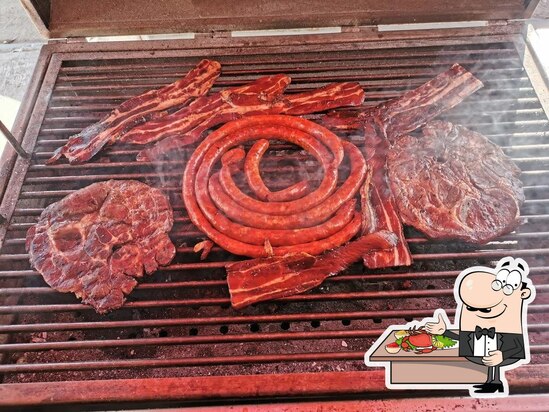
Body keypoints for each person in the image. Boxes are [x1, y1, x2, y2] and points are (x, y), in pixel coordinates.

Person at [425, 257, 535, 394]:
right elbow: (464, 338)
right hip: (481, 352)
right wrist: (444, 331)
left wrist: (503, 355)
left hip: (501, 354)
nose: (479, 312)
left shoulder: (510, 329)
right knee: (489, 360)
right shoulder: (474, 327)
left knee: (493, 360)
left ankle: (495, 382)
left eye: (485, 310)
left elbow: (517, 347)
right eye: (471, 309)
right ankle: (492, 382)